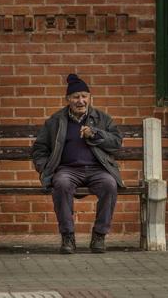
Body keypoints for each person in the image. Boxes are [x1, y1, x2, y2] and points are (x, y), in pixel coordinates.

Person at [31, 74, 124, 254]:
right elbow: (39, 148)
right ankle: (68, 237)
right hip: (68, 170)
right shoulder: (55, 121)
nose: (80, 101)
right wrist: (45, 168)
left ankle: (99, 235)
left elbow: (116, 143)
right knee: (61, 183)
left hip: (98, 169)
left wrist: (96, 134)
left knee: (109, 184)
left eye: (84, 96)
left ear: (90, 97)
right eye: (76, 97)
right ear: (68, 99)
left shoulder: (103, 119)